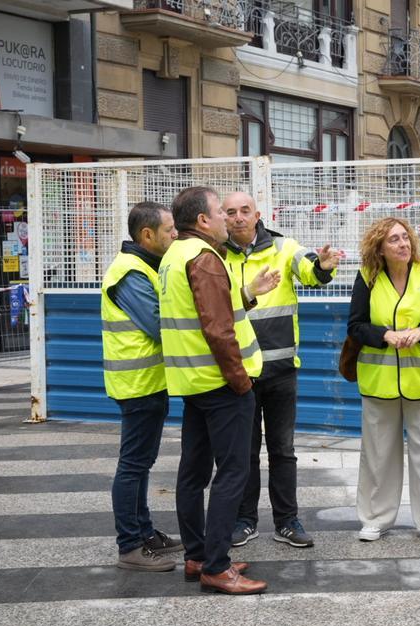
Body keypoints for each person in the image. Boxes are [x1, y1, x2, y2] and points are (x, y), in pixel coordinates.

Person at [159, 186, 280, 595]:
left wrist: (248, 293)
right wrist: (241, 381)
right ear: (203, 221)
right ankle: (217, 565)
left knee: (192, 471)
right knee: (232, 473)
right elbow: (218, 328)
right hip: (221, 382)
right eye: (220, 212)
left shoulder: (176, 255)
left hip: (193, 381)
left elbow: (211, 310)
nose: (229, 219)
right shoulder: (205, 258)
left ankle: (198, 555)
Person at [223, 192, 340, 549]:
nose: (239, 217)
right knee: (243, 450)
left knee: (282, 450)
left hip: (281, 371)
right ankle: (245, 521)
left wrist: (322, 266)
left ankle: (286, 520)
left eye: (245, 211)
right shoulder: (215, 255)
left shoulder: (283, 248)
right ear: (223, 218)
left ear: (258, 214)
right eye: (231, 212)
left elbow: (310, 271)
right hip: (239, 372)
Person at [347, 218, 420, 546]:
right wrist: (385, 335)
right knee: (378, 454)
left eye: (405, 238)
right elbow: (356, 325)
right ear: (379, 247)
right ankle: (375, 519)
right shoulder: (367, 278)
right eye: (393, 240)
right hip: (379, 382)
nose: (403, 244)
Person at [101, 202, 182, 572]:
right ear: (147, 235)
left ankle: (145, 533)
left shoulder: (143, 267)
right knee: (133, 465)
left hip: (148, 382)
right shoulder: (130, 273)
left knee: (142, 463)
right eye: (169, 230)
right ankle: (130, 546)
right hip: (137, 385)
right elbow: (157, 324)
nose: (175, 235)